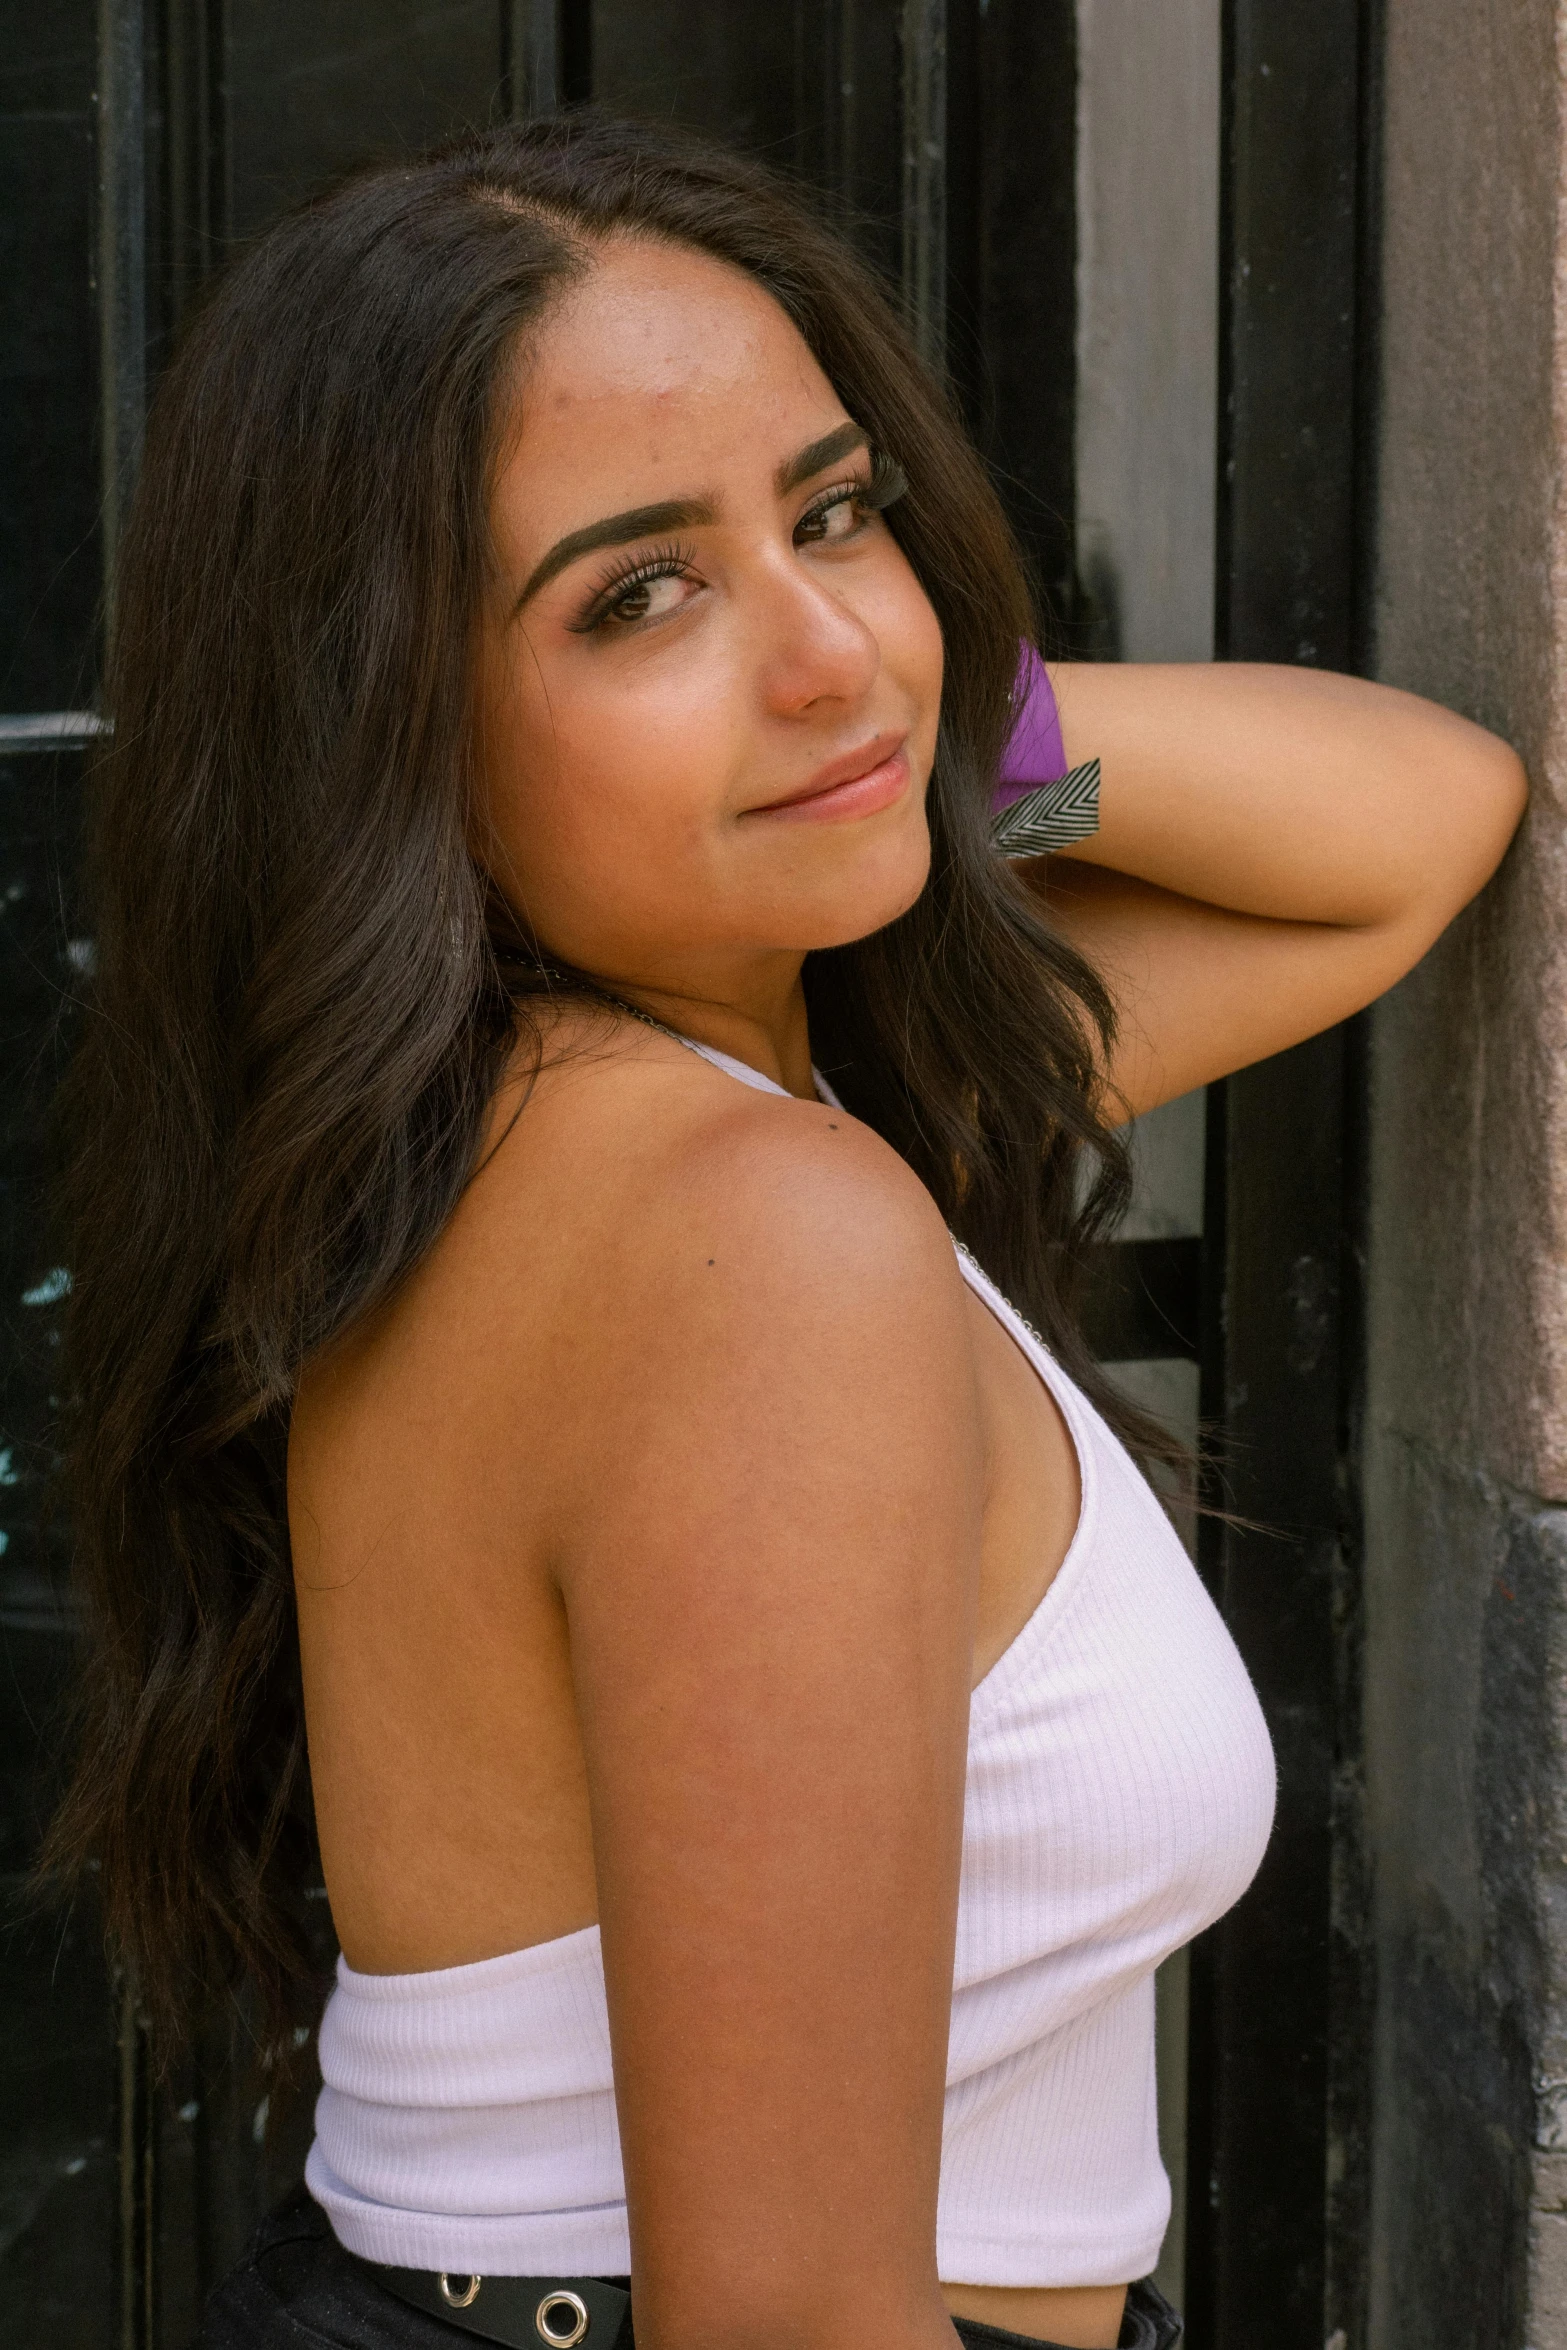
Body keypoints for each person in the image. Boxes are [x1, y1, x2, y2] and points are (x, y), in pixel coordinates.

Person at [45, 114, 1525, 2350]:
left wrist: (935, 727)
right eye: (640, 591)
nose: (823, 644)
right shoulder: (753, 1229)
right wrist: (889, 728)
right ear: (391, 727)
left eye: (835, 514)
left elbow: (1418, 823)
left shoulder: (624, 1129)